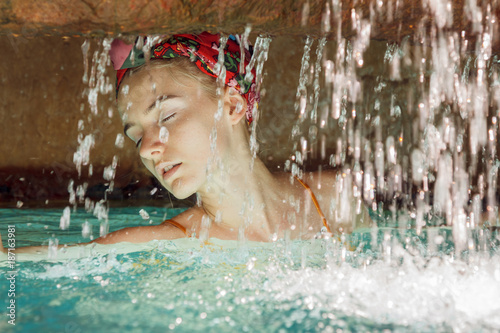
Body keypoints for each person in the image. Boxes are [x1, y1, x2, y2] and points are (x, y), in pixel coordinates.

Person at [1, 32, 371, 254]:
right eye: (135, 136)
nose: (146, 149)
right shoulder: (167, 240)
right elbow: (22, 261)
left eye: (165, 116)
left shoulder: (339, 197)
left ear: (232, 105)